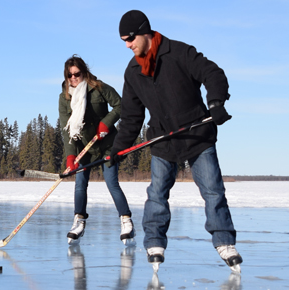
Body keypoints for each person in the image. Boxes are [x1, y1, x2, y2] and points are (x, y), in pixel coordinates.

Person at [109, 10, 243, 271]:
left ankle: (225, 241)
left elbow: (212, 73)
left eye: (130, 38)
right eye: (123, 40)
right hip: (163, 139)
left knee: (213, 191)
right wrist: (119, 148)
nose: (127, 45)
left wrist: (215, 102)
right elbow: (131, 117)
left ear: (144, 31)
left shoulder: (179, 52)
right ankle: (154, 241)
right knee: (157, 194)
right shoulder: (133, 71)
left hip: (197, 134)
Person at [58, 55, 135, 246]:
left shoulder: (99, 87)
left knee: (111, 182)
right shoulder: (64, 97)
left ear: (84, 72)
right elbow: (65, 129)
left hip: (106, 144)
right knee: (80, 183)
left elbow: (120, 105)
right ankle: (79, 220)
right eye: (70, 75)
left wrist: (106, 123)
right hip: (84, 146)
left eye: (77, 74)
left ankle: (126, 220)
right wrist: (70, 156)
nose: (74, 78)